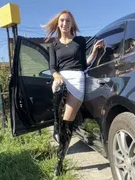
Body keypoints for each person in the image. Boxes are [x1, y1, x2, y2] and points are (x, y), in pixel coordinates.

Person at [42, 10, 104, 176]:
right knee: (60, 119)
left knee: (66, 123)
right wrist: (57, 77)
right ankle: (56, 126)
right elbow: (53, 68)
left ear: (72, 24)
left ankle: (59, 162)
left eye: (67, 21)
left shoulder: (80, 41)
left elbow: (83, 65)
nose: (64, 24)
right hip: (61, 80)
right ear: (58, 24)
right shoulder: (53, 45)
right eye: (62, 21)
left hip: (77, 80)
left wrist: (94, 52)